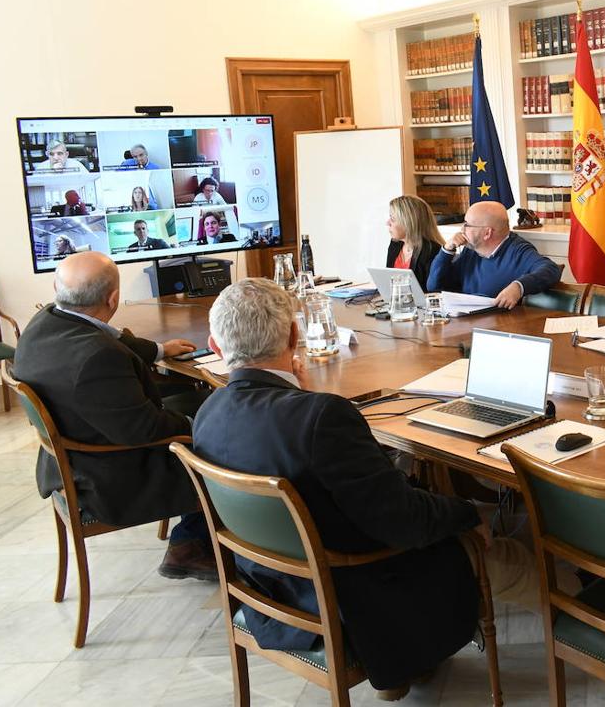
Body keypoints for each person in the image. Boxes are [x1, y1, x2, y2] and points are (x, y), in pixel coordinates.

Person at [193, 279, 535, 698]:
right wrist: (468, 513)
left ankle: (419, 664)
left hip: (271, 583)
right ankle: (586, 625)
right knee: (512, 554)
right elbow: (403, 523)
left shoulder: (207, 413)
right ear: (295, 336)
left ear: (215, 345)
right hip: (355, 596)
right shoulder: (321, 417)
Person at [11, 252, 216, 580]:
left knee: (196, 401)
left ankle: (195, 538)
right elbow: (144, 429)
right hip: (107, 475)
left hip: (73, 453)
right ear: (114, 298)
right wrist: (205, 428)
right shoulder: (97, 359)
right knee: (224, 440)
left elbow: (105, 335)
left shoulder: (47, 320)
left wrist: (159, 351)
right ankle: (188, 546)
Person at [427, 201, 560, 308]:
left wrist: (518, 287)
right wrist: (447, 250)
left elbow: (551, 269)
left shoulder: (518, 250)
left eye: (467, 225)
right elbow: (434, 286)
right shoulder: (471, 251)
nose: (462, 230)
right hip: (466, 325)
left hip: (503, 329)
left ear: (487, 233)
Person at [386, 194, 444, 286]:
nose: (387, 223)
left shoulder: (432, 250)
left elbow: (432, 291)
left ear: (408, 222)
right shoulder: (395, 244)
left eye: (392, 219)